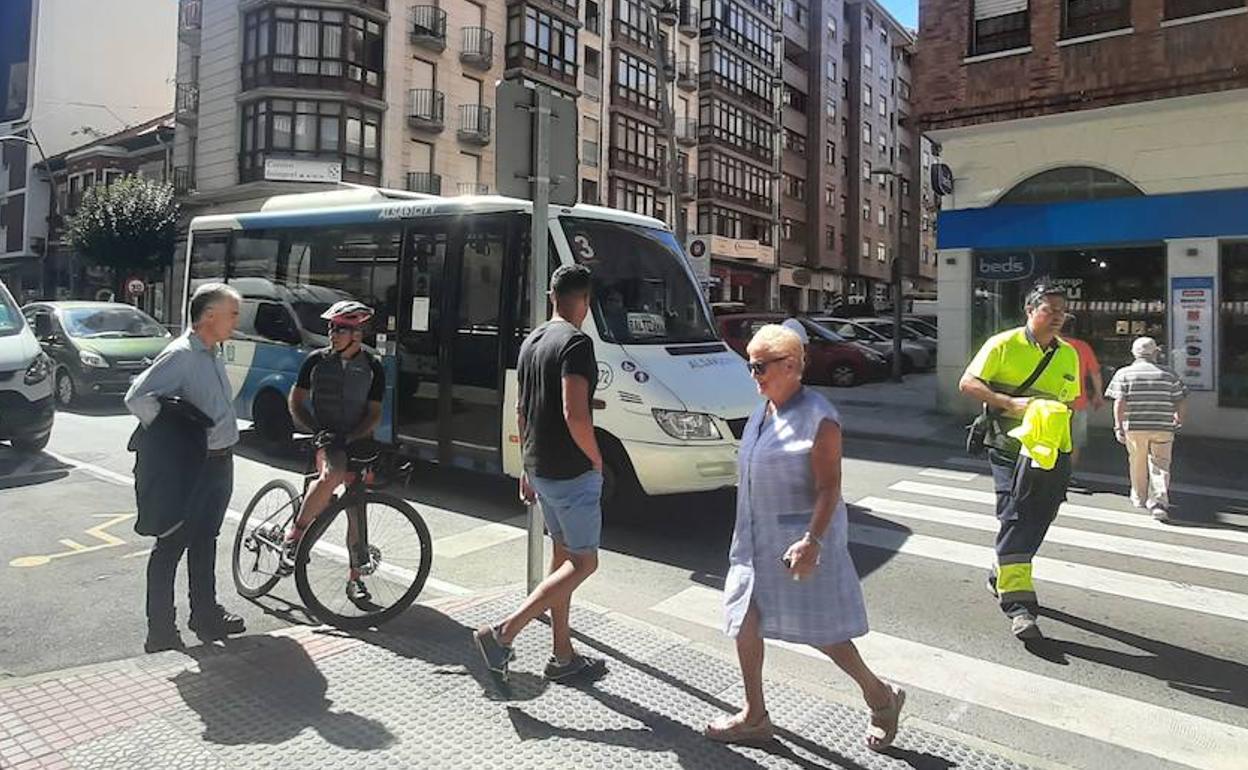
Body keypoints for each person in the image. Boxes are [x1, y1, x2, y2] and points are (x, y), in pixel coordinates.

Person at [707, 324, 904, 751]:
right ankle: (755, 715)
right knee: (744, 620)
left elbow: (830, 487)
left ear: (792, 366)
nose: (753, 374)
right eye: (750, 364)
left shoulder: (820, 417)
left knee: (824, 634)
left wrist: (812, 541)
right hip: (753, 543)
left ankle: (881, 696)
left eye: (759, 366)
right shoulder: (764, 410)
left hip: (799, 546)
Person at [474, 264, 608, 683]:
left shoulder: (532, 340)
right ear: (584, 301)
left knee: (562, 558)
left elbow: (522, 407)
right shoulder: (577, 342)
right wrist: (597, 458)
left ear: (553, 296)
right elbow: (574, 413)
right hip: (571, 470)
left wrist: (525, 465)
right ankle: (503, 633)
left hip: (540, 467)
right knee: (584, 564)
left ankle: (563, 655)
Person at [125, 283, 246, 653]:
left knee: (205, 539)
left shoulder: (212, 352)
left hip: (221, 461)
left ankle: (205, 615)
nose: (236, 321)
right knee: (171, 544)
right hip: (193, 468)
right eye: (232, 313)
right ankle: (160, 630)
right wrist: (174, 439)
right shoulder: (180, 355)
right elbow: (137, 398)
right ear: (209, 316)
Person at [958, 284, 1081, 641]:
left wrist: (1071, 451)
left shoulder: (1068, 353)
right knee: (1015, 513)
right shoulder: (1003, 343)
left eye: (1062, 311)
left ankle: (1002, 567)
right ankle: (1019, 603)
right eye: (1050, 309)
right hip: (1007, 445)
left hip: (1050, 449)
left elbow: (1069, 407)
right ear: (1030, 310)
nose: (1058, 316)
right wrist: (1009, 404)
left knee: (1041, 513)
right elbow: (967, 383)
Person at [283, 300, 386, 603]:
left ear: (357, 334)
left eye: (340, 328)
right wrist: (315, 430)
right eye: (331, 327)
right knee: (332, 473)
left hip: (356, 440)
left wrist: (354, 436)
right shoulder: (315, 361)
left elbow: (375, 412)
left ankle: (355, 579)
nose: (332, 333)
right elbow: (297, 400)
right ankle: (295, 536)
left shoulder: (373, 366)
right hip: (326, 436)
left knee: (356, 511)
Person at [1104, 337, 1188, 522]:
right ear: (1156, 353)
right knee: (1161, 463)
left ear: (1134, 353)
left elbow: (1119, 402)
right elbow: (1180, 399)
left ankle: (1139, 497)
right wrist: (1179, 418)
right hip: (1163, 426)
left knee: (1137, 461)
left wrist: (1118, 426)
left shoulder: (1124, 374)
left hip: (1134, 427)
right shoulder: (1169, 374)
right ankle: (1159, 501)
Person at [1059, 315, 1104, 479]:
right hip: (1077, 402)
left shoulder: (1046, 344)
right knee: (1074, 442)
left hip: (1048, 403)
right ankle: (1067, 475)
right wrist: (1098, 395)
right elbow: (1094, 373)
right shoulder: (1082, 347)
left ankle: (1048, 473)